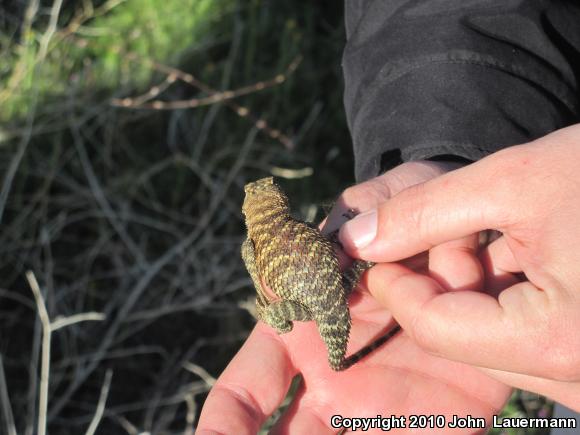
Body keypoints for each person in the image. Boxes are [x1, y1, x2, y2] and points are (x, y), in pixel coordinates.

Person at [197, 1, 580, 432]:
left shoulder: (253, 244)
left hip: (321, 292)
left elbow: (254, 264)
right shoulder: (296, 227)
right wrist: (450, 164)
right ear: (280, 204)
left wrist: (270, 309)